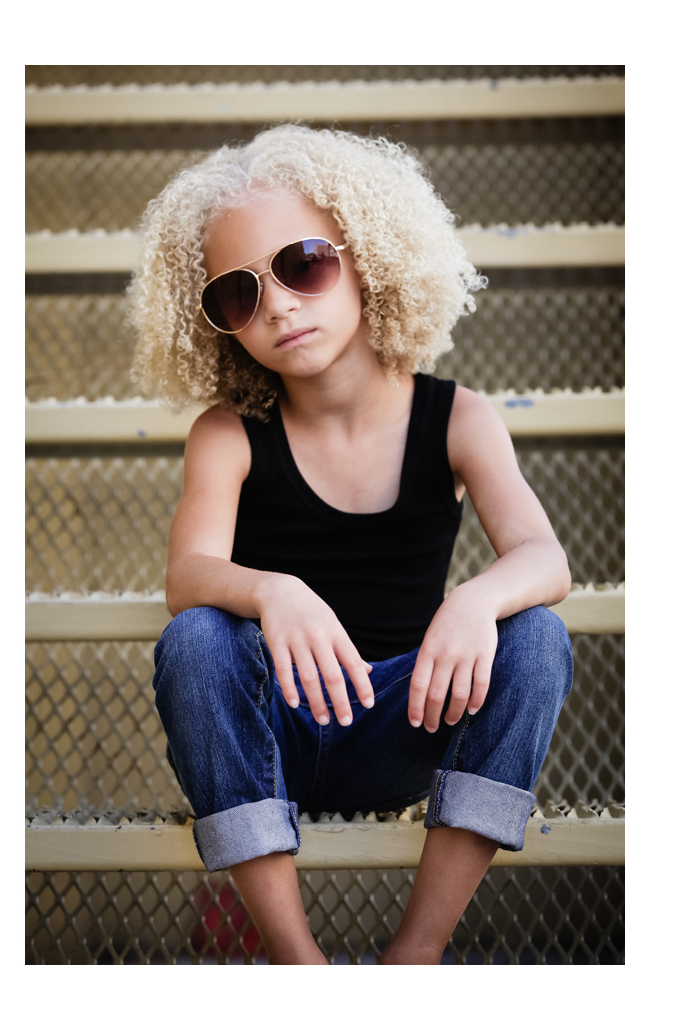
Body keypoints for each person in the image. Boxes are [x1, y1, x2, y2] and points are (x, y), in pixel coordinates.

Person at [128, 124, 574, 965]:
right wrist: (270, 591)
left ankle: (415, 956)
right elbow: (188, 576)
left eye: (302, 264)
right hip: (273, 731)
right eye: (238, 293)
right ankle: (304, 970)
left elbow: (545, 560)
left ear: (368, 256)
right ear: (222, 322)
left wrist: (476, 600)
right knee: (197, 641)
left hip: (412, 719)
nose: (280, 305)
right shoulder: (228, 434)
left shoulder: (459, 418)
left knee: (538, 637)